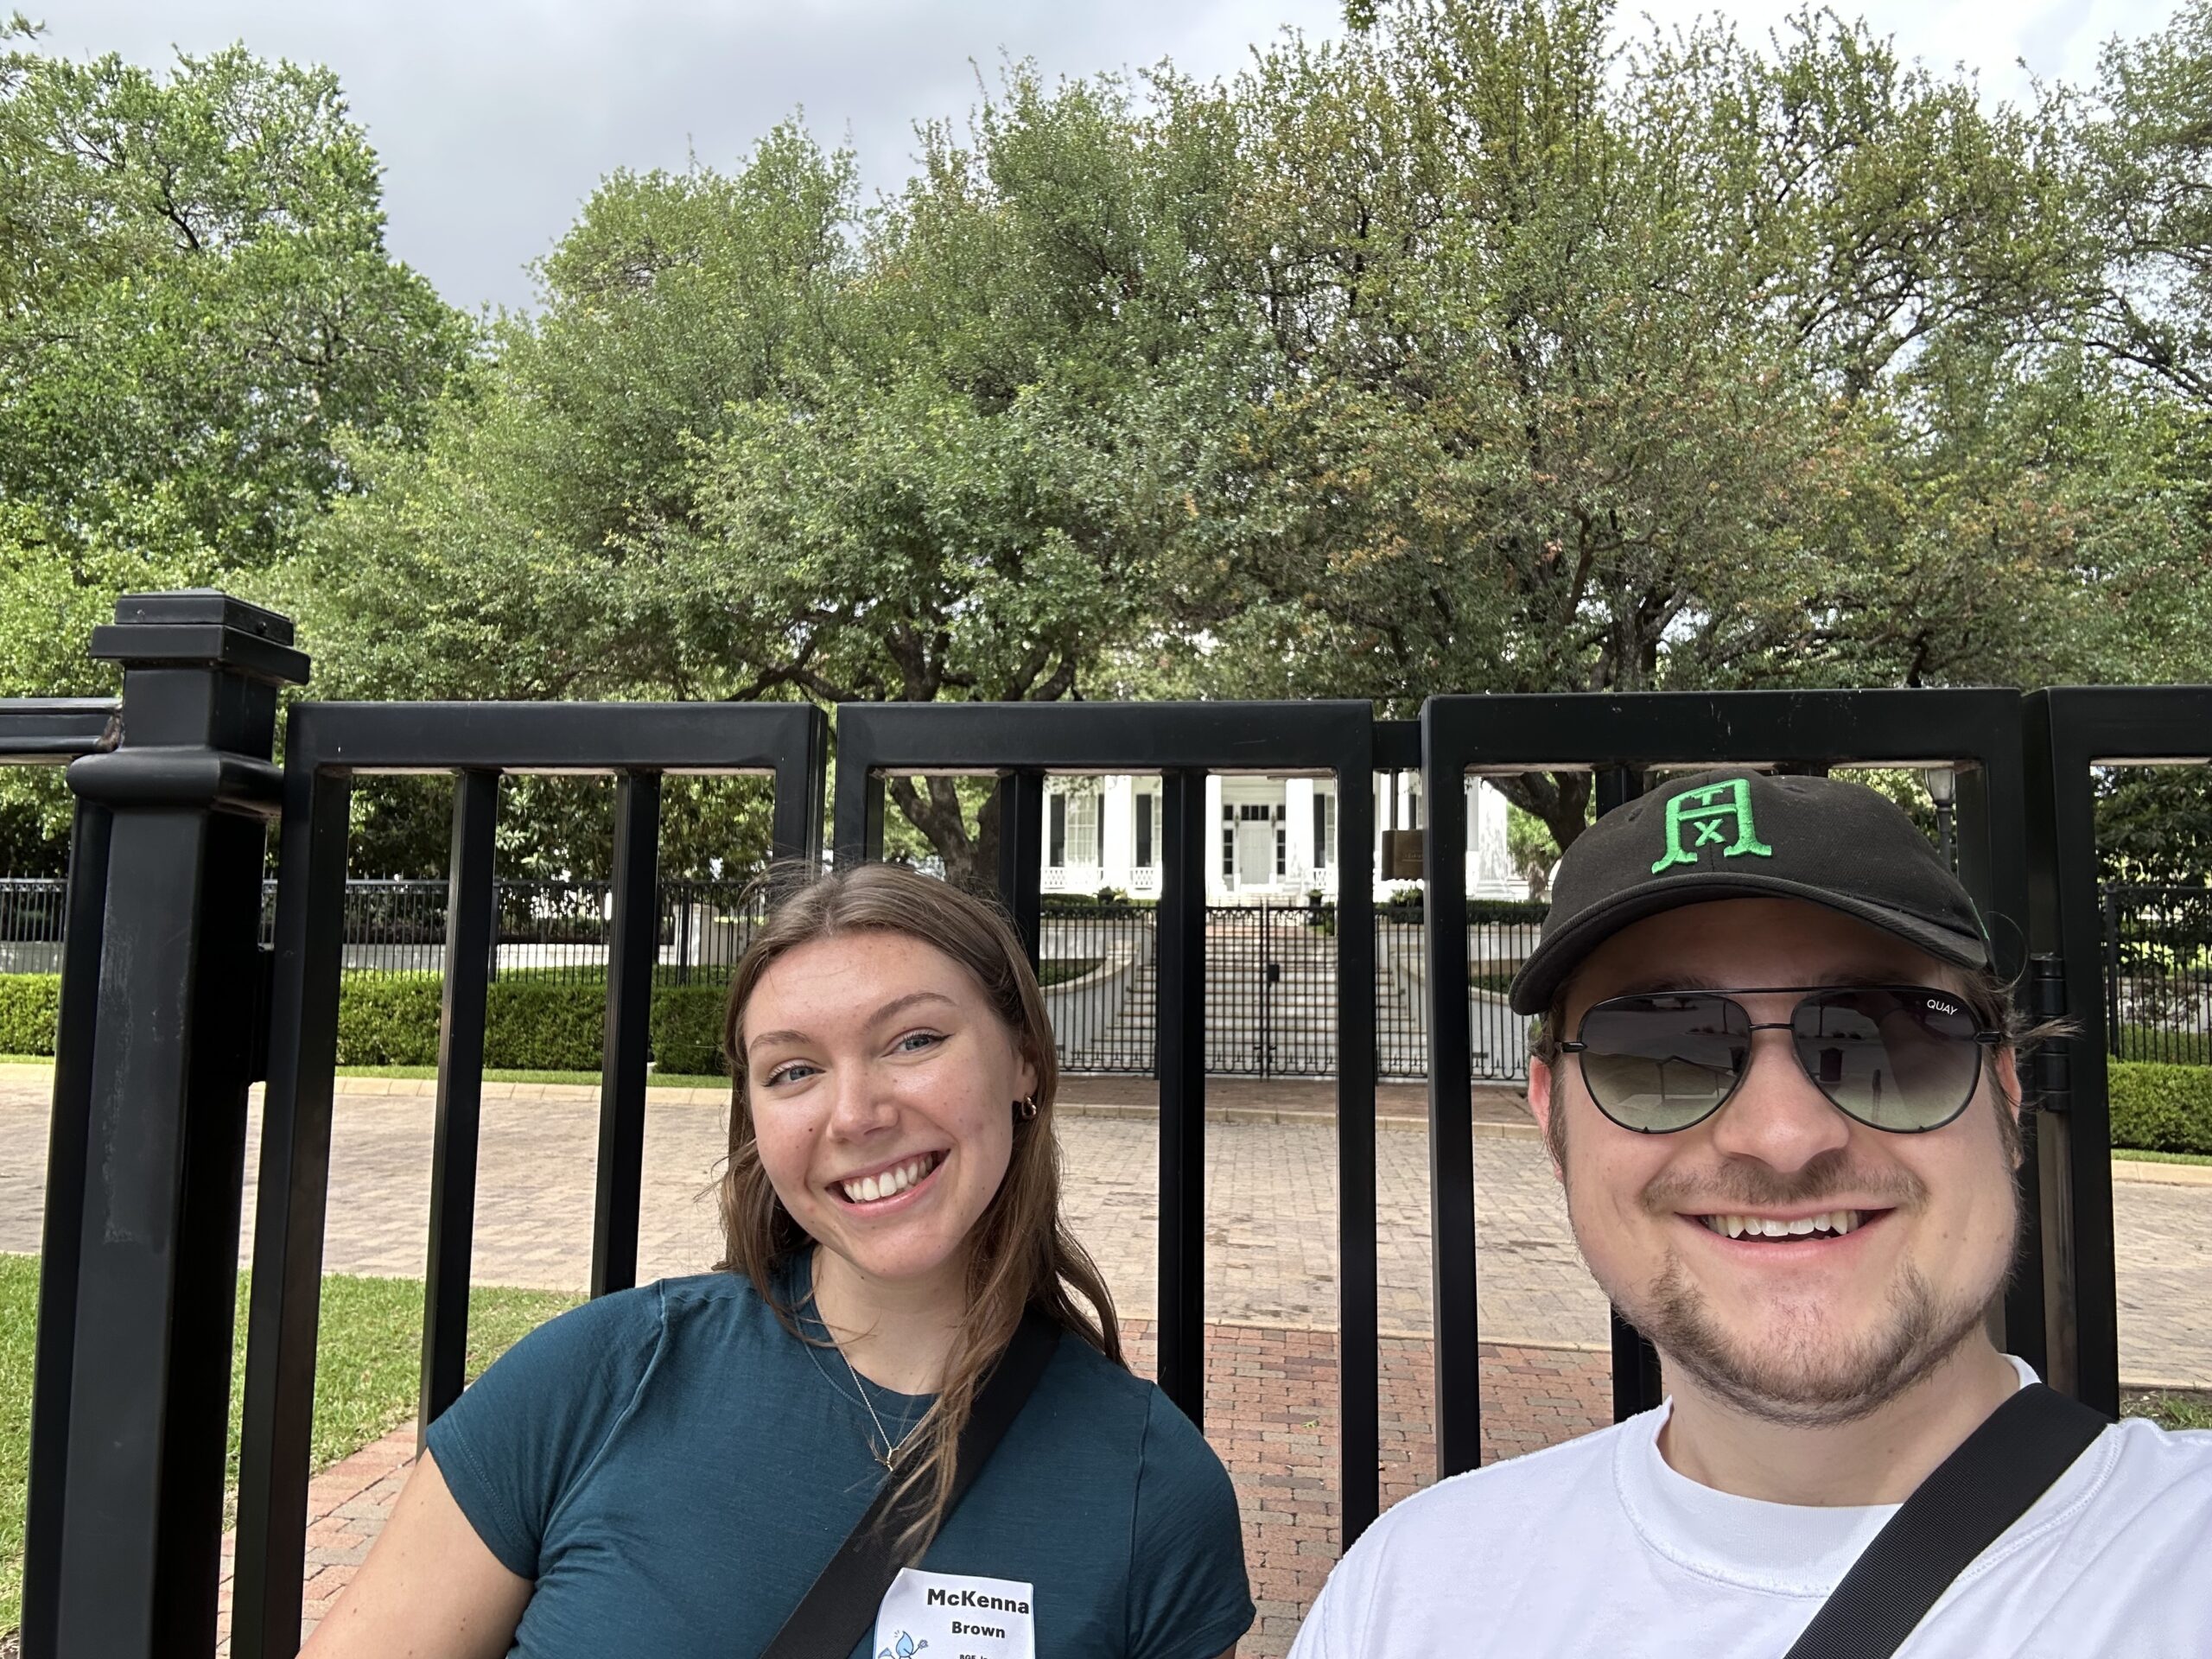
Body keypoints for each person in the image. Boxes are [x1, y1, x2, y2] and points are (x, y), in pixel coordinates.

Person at [1291, 768, 2212, 1657]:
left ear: (2003, 1094)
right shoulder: (1412, 1597)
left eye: (1887, 1035)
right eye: (1662, 1046)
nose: (1781, 1135)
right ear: (1551, 1116)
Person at [307, 861, 1253, 1659]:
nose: (856, 1114)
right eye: (794, 1070)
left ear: (1022, 1062)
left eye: (914, 1040)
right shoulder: (595, 1382)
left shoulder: (1151, 1491)